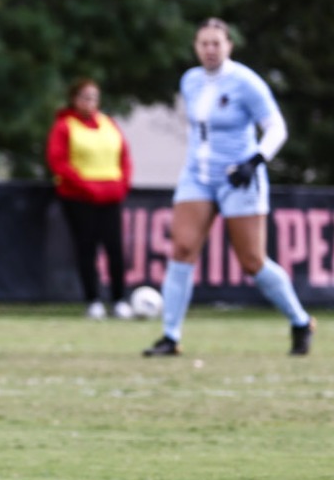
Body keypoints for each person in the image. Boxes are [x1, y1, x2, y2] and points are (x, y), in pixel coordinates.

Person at [144, 19, 315, 357]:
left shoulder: (246, 82)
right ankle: (170, 336)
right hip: (198, 175)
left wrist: (254, 161)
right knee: (182, 248)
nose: (210, 50)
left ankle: (300, 321)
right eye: (204, 44)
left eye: (216, 44)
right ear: (196, 47)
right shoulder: (190, 81)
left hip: (240, 176)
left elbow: (276, 128)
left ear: (229, 46)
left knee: (252, 261)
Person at [46, 78, 133, 319]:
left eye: (94, 97)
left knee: (114, 249)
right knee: (87, 248)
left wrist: (121, 184)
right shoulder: (65, 126)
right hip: (79, 198)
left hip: (110, 197)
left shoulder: (109, 124)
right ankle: (93, 300)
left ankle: (118, 300)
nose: (90, 102)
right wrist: (88, 187)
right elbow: (59, 163)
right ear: (74, 99)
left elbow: (124, 157)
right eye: (85, 96)